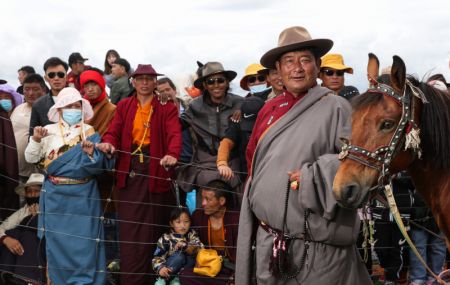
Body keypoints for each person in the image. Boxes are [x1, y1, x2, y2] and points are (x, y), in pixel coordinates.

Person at [237, 26, 371, 284]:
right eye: (289, 61)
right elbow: (253, 160)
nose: (297, 68)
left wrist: (315, 175)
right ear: (278, 69)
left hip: (317, 247)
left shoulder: (336, 107)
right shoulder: (269, 110)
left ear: (317, 66)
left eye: (305, 60)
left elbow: (360, 162)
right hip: (270, 241)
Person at [98, 64, 182, 285]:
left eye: (149, 79)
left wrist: (172, 154)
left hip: (156, 169)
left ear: (155, 82)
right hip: (131, 171)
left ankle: (159, 280)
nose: (145, 82)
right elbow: (113, 131)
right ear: (133, 82)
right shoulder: (124, 106)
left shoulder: (166, 106)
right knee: (130, 233)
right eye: (140, 79)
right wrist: (108, 143)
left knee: (156, 228)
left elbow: (174, 133)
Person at [25, 87, 112, 285]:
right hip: (56, 196)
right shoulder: (47, 130)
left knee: (87, 244)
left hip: (85, 195)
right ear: (59, 109)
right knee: (58, 244)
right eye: (68, 106)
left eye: (76, 105)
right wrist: (36, 139)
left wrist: (90, 154)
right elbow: (31, 158)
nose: (73, 109)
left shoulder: (90, 132)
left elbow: (98, 168)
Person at [176, 62, 244, 207]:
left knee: (234, 210)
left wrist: (245, 115)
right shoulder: (195, 106)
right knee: (206, 209)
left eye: (220, 80)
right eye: (211, 81)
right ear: (205, 85)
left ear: (227, 82)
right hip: (205, 164)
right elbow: (176, 126)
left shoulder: (240, 103)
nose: (216, 85)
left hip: (233, 163)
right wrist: (166, 106)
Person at [179, 180, 239, 285]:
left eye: (208, 199)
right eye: (203, 198)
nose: (203, 203)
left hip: (228, 266)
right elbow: (192, 240)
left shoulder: (235, 219)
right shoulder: (198, 216)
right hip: (207, 265)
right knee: (185, 275)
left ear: (222, 201)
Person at [0, 173, 44, 283]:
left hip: (41, 248)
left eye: (36, 191)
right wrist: (6, 239)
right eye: (29, 192)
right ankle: (8, 277)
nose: (33, 195)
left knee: (27, 234)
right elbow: (2, 228)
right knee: (11, 233)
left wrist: (36, 217)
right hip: (20, 252)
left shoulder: (53, 208)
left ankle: (25, 279)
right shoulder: (22, 211)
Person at [217, 96, 265, 180]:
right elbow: (226, 143)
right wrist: (222, 163)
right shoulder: (237, 124)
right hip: (247, 174)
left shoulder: (272, 124)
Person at [153, 207, 204, 285]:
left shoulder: (192, 235)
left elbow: (201, 248)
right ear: (171, 223)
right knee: (179, 256)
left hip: (184, 273)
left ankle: (176, 279)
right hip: (169, 269)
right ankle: (163, 279)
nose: (183, 225)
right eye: (178, 222)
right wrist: (160, 268)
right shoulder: (166, 238)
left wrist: (186, 245)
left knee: (191, 257)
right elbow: (157, 257)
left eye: (186, 221)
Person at [11, 74, 46, 182]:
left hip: (39, 174)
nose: (30, 93)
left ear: (43, 90)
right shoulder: (17, 109)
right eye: (27, 89)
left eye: (35, 89)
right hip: (17, 170)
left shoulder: (48, 109)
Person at [29, 57, 69, 136]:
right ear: (46, 78)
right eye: (51, 75)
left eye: (60, 74)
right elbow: (32, 137)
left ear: (66, 77)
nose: (56, 78)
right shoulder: (38, 105)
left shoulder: (79, 100)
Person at [0, 84, 23, 221]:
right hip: (5, 174)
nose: (3, 100)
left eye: (7, 97)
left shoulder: (16, 115)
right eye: (0, 97)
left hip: (20, 171)